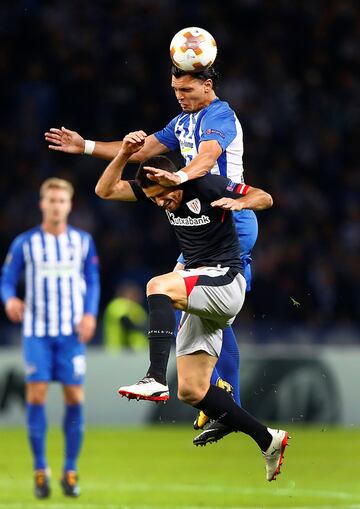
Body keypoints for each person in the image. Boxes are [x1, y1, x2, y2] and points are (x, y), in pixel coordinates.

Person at [45, 65, 258, 444]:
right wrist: (87, 146)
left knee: (184, 297)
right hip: (202, 223)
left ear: (207, 86)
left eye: (187, 89)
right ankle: (224, 404)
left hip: (228, 216)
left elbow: (208, 157)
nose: (180, 95)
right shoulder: (182, 122)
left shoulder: (220, 115)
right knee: (200, 310)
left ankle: (205, 396)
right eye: (175, 88)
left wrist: (180, 177)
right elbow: (141, 152)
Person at [94, 131, 288, 482]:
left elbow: (265, 197)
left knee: (158, 284)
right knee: (191, 391)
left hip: (226, 282)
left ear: (174, 179)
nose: (159, 203)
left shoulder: (209, 185)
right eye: (152, 198)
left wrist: (241, 203)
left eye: (163, 195)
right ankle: (268, 438)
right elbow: (105, 191)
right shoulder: (158, 192)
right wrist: (123, 154)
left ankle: (154, 377)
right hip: (203, 290)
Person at [0, 178, 100, 499]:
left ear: (69, 205)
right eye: (51, 200)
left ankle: (70, 470)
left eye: (61, 200)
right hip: (37, 333)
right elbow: (6, 280)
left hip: (71, 333)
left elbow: (94, 280)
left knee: (74, 397)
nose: (56, 205)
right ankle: (40, 469)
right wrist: (9, 300)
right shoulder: (25, 243)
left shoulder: (82, 242)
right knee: (37, 396)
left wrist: (89, 314)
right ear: (42, 204)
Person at [103, 281, 147, 351]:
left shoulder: (138, 308)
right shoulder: (116, 304)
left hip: (138, 351)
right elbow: (125, 321)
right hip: (117, 349)